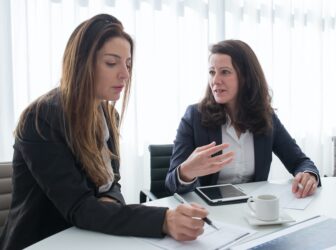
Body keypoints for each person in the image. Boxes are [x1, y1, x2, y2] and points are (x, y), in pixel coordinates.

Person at [0, 14, 208, 250]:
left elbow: (112, 184)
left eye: (128, 64)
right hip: (44, 241)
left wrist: (106, 204)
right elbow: (79, 207)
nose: (125, 74)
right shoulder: (41, 118)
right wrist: (163, 219)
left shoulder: (109, 116)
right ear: (81, 63)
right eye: (112, 63)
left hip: (91, 236)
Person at [165, 39, 320, 198]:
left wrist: (308, 175)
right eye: (212, 72)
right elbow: (171, 183)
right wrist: (186, 172)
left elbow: (300, 162)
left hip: (255, 210)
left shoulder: (267, 117)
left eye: (224, 72)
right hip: (210, 211)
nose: (215, 80)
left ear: (246, 77)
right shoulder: (194, 116)